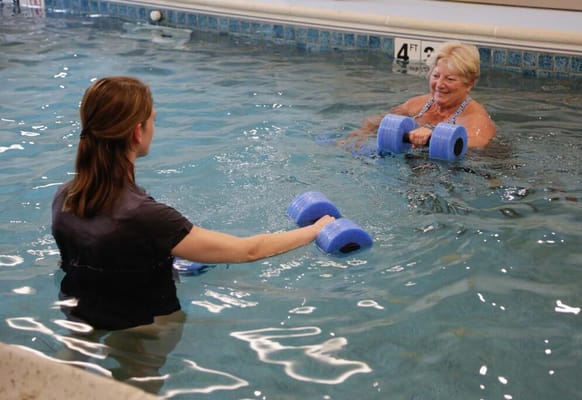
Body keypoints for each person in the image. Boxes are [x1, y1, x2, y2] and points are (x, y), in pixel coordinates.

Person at [51, 76, 335, 331]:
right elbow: (248, 250)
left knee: (73, 364)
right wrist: (316, 229)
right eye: (153, 119)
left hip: (79, 311)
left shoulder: (65, 197)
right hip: (144, 325)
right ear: (138, 132)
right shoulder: (147, 217)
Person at [342, 41, 496, 150]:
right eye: (436, 76)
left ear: (469, 84)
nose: (440, 84)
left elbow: (475, 143)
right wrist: (359, 135)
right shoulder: (418, 104)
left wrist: (434, 135)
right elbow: (381, 120)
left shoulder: (476, 119)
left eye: (450, 79)